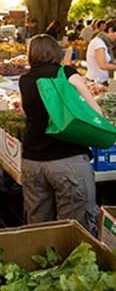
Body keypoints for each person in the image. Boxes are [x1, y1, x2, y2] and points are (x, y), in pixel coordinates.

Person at [19, 34, 101, 234]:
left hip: (33, 162)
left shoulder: (25, 79)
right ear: (56, 51)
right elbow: (95, 112)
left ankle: (41, 264)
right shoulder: (67, 73)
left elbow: (24, 113)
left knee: (37, 228)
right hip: (68, 161)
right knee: (75, 230)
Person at [86, 19, 116, 84]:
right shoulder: (99, 43)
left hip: (101, 81)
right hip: (96, 81)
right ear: (110, 30)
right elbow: (102, 65)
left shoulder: (105, 43)